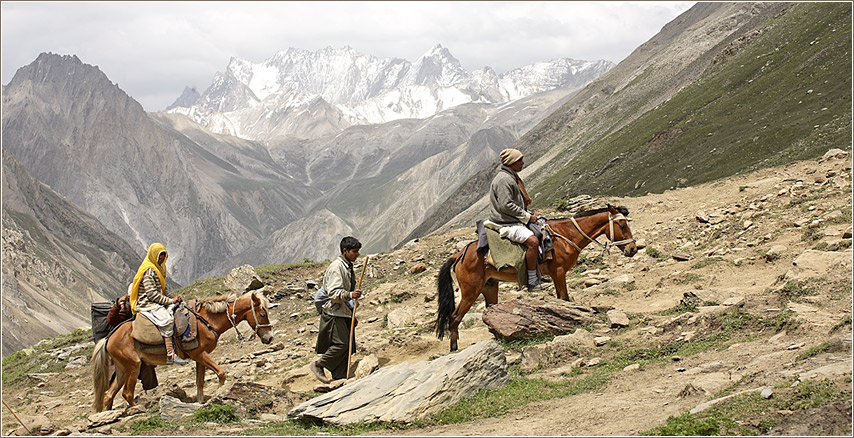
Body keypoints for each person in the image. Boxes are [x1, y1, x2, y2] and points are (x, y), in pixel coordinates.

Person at [488, 148, 545, 291]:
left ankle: (539, 271)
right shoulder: (504, 180)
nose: (522, 163)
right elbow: (505, 205)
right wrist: (527, 217)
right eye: (519, 160)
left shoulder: (511, 177)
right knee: (533, 242)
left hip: (512, 219)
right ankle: (532, 280)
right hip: (506, 223)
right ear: (511, 162)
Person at [310, 236, 363, 383]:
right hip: (334, 312)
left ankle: (339, 378)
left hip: (343, 311)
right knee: (342, 344)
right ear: (345, 251)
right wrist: (350, 294)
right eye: (354, 251)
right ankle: (319, 364)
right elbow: (333, 293)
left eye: (358, 251)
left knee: (348, 348)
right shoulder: (337, 267)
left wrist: (352, 314)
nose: (357, 254)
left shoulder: (347, 266)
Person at [129, 242, 187, 365]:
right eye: (159, 255)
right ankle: (170, 354)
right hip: (148, 303)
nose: (161, 258)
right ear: (154, 255)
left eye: (163, 255)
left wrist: (173, 298)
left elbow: (163, 288)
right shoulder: (149, 271)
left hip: (157, 300)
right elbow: (152, 294)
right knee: (167, 320)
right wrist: (170, 301)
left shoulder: (159, 269)